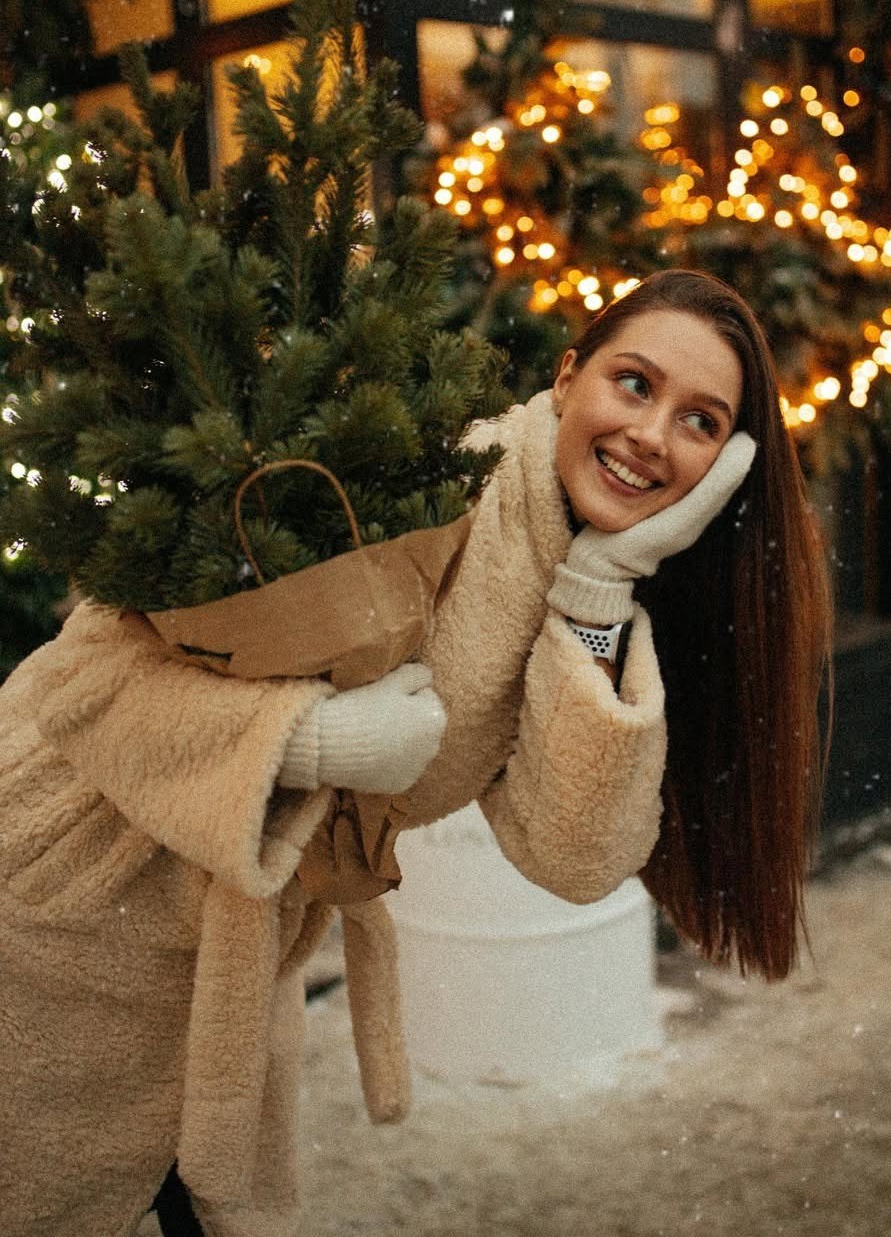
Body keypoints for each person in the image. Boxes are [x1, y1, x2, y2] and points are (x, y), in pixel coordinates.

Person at [0, 270, 830, 1236]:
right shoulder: (415, 470)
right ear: (567, 378)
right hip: (62, 896)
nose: (651, 434)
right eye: (635, 384)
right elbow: (85, 667)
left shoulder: (580, 581)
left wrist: (602, 588)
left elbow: (577, 853)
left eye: (699, 421)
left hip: (221, 965)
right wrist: (311, 742)